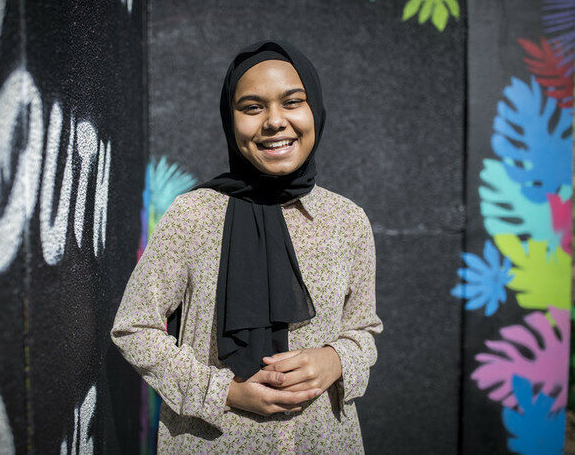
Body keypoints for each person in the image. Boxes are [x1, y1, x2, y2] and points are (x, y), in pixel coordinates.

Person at [110, 39, 383, 453]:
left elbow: (363, 331)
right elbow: (134, 328)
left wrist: (334, 360)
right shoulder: (194, 215)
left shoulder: (347, 221)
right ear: (230, 118)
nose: (274, 121)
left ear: (315, 111)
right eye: (252, 108)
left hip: (323, 441)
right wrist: (225, 392)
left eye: (292, 102)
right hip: (215, 442)